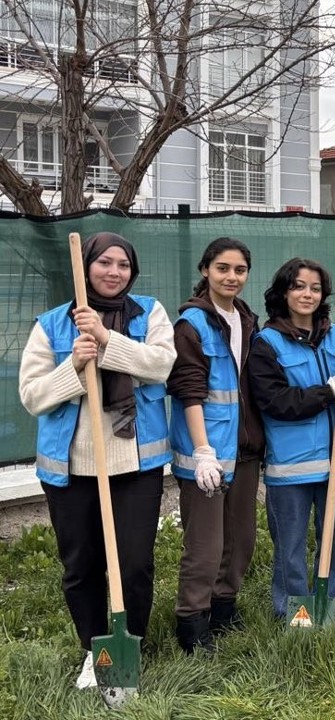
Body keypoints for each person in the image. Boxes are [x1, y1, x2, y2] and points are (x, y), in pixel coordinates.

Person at [18, 232, 176, 689]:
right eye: (104, 262)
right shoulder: (52, 325)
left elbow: (163, 364)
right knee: (82, 564)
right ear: (85, 267)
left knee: (134, 564)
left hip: (134, 465)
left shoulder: (150, 313)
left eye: (123, 264)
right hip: (72, 470)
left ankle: (131, 643)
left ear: (133, 271)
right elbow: (32, 396)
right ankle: (94, 649)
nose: (113, 272)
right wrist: (72, 365)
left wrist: (108, 340)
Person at [245, 258, 335, 621]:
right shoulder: (266, 344)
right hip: (292, 467)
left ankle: (333, 605)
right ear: (284, 292)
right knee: (291, 546)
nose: (307, 294)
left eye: (315, 288)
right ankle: (294, 612)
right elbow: (277, 402)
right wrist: (330, 390)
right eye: (299, 286)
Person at [167, 237, 263, 652]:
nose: (231, 277)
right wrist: (203, 451)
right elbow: (188, 390)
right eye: (223, 268)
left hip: (242, 450)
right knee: (205, 544)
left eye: (239, 270)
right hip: (206, 454)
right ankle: (191, 620)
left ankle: (224, 607)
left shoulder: (245, 318)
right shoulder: (193, 324)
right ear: (206, 270)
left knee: (240, 538)